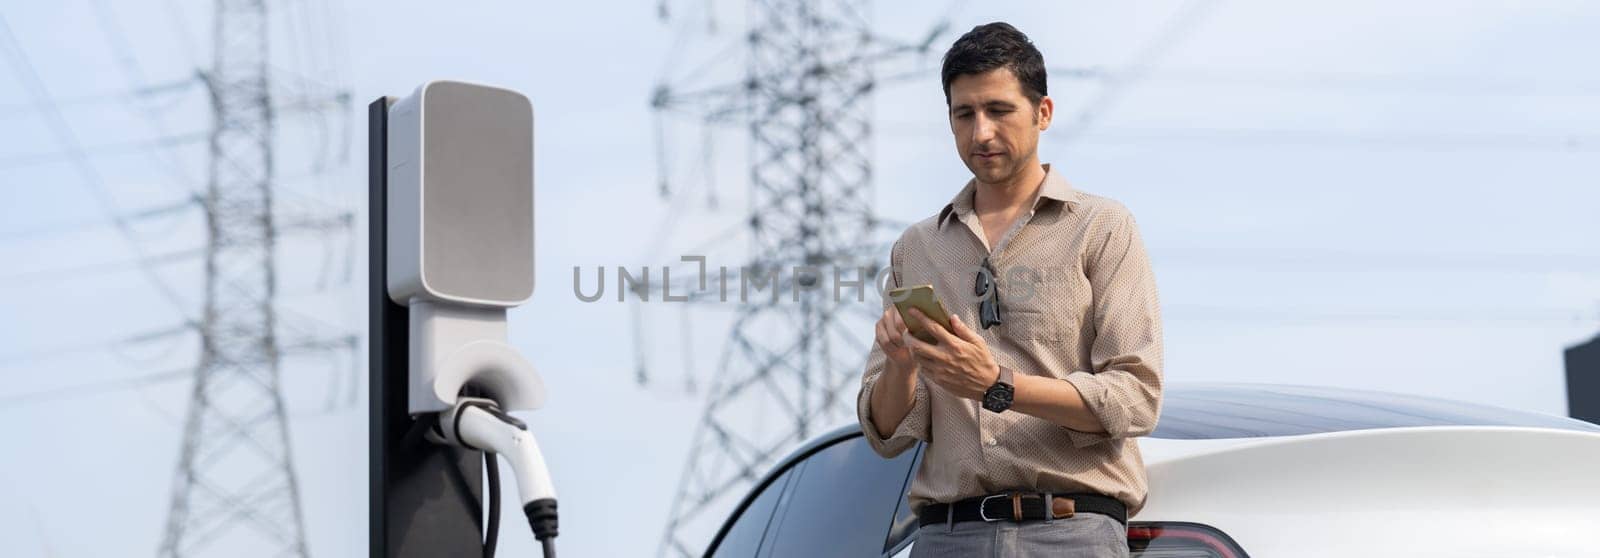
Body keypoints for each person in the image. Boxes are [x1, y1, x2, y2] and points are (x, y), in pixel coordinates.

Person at [856, 21, 1163, 558]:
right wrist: (901, 366)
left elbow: (1136, 399)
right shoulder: (917, 248)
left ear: (1043, 112)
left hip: (1072, 534)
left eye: (999, 111)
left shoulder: (1102, 227)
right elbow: (888, 434)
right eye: (964, 114)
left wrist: (998, 384)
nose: (981, 134)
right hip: (946, 538)